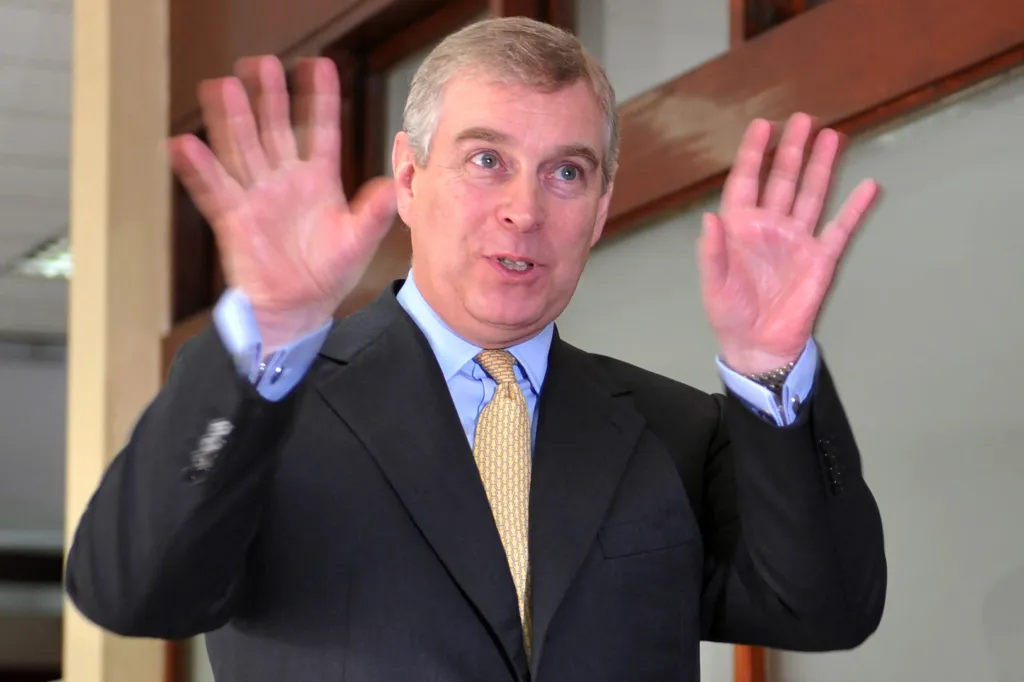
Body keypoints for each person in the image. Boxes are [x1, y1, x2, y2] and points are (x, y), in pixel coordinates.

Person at [64, 16, 886, 682]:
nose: (524, 210)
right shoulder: (278, 404)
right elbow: (133, 593)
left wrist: (770, 366)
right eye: (487, 160)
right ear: (409, 177)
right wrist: (270, 331)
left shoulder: (676, 430)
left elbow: (828, 609)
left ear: (600, 209)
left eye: (566, 173)